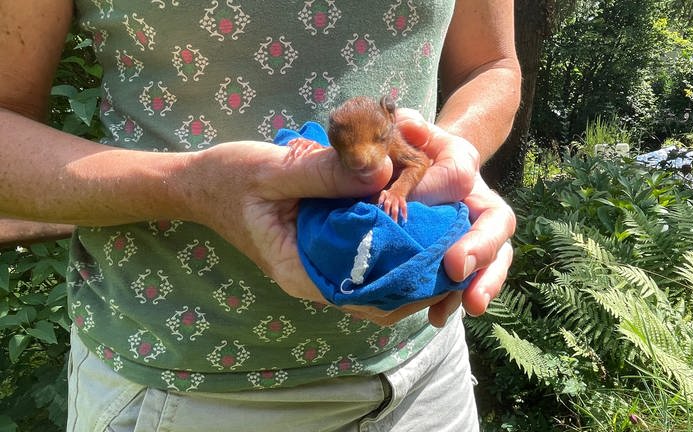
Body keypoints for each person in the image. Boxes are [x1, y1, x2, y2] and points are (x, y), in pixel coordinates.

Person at [0, 0, 520, 430]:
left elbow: (491, 65)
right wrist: (190, 187)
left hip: (425, 374)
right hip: (185, 386)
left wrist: (454, 161)